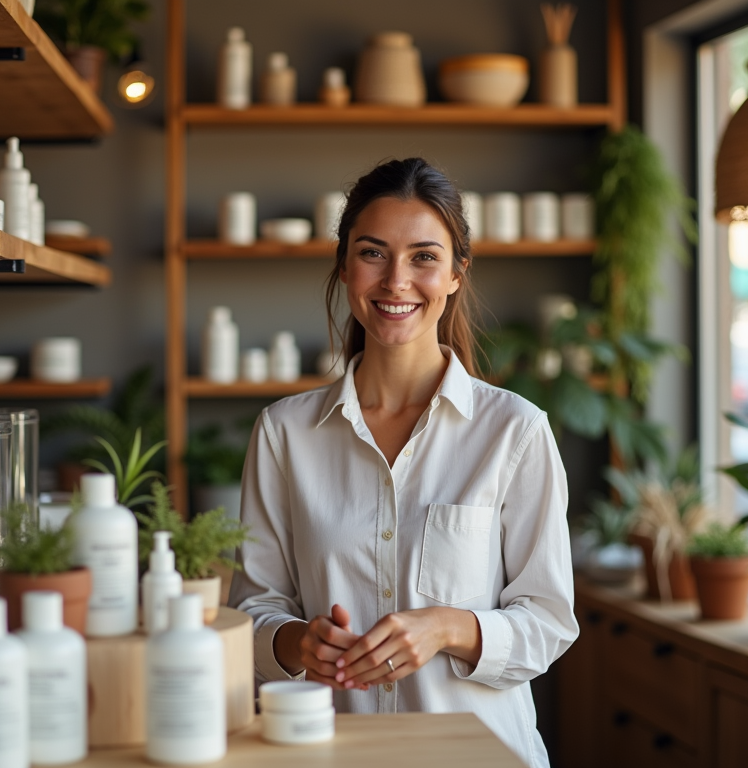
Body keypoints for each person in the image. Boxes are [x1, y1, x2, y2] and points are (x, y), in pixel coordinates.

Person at [229, 157, 577, 768]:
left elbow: (548, 622)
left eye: (423, 257)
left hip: (481, 757)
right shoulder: (284, 433)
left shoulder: (514, 431)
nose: (396, 281)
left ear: (455, 275)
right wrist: (296, 642)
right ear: (344, 266)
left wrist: (447, 627)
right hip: (333, 755)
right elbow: (254, 607)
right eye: (372, 253)